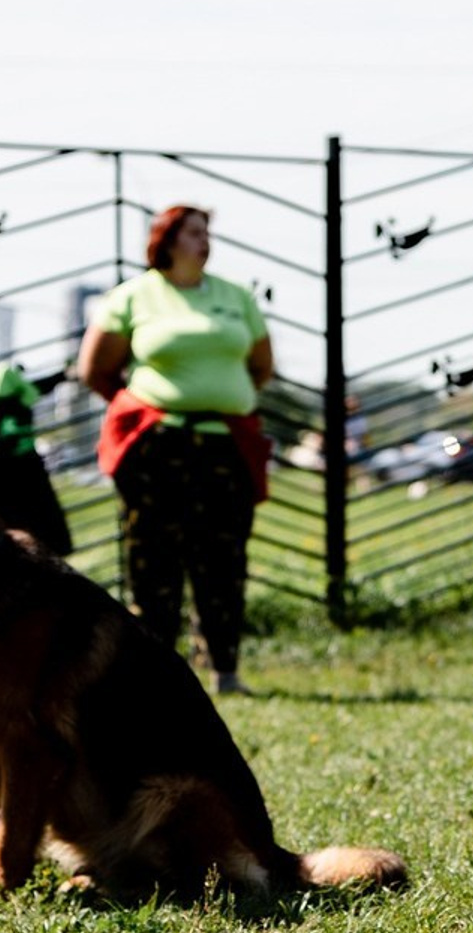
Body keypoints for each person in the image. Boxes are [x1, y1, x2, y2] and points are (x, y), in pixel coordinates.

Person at [77, 205, 273, 696]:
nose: (204, 241)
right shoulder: (133, 296)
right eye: (193, 232)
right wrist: (151, 406)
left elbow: (260, 367)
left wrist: (218, 395)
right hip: (157, 445)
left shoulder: (235, 297)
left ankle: (224, 669)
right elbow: (96, 370)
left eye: (207, 232)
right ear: (165, 240)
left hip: (224, 444)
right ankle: (154, 675)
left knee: (223, 558)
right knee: (153, 561)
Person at [0, 361, 72, 554]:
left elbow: (39, 387)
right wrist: (62, 375)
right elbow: (36, 389)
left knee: (20, 537)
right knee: (43, 532)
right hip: (25, 466)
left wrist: (62, 375)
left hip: (19, 468)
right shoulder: (14, 385)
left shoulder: (11, 383)